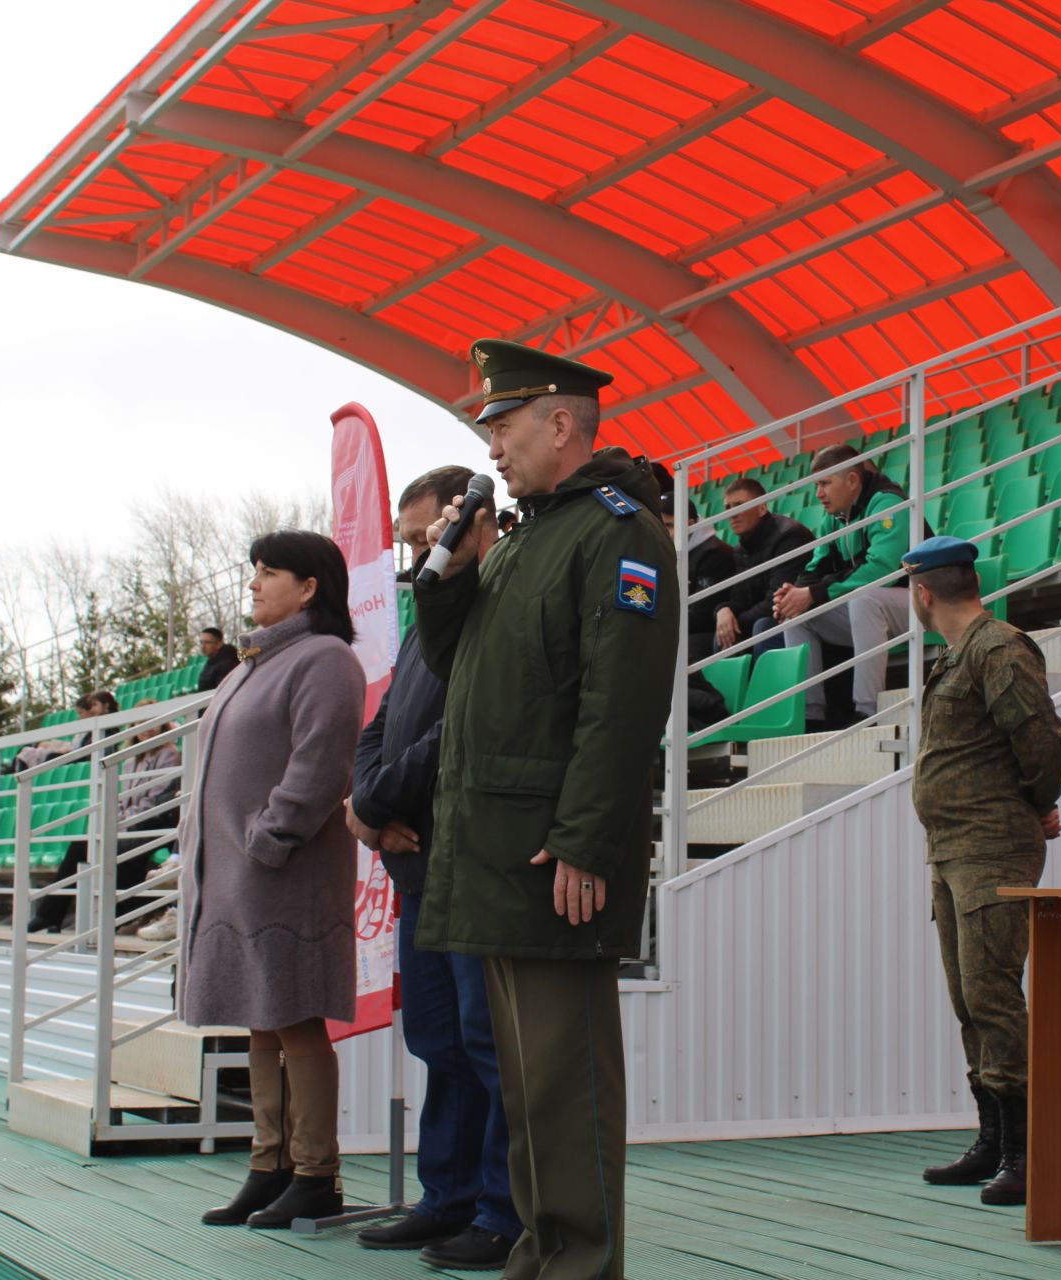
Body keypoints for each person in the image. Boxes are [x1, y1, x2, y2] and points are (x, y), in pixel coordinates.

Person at [414, 338, 680, 1280]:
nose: (490, 444)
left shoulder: (617, 530)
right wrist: (438, 584)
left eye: (502, 422)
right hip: (498, 854)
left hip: (548, 859)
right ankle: (542, 1255)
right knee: (527, 1091)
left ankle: (578, 1264)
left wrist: (584, 841)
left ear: (561, 423)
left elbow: (624, 705)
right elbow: (472, 674)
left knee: (565, 1086)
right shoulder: (529, 534)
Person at [344, 465, 520, 1269]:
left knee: (486, 1045)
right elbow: (378, 728)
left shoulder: (491, 606)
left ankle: (500, 1211)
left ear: (475, 526)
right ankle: (444, 1198)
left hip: (468, 858)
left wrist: (376, 804)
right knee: (437, 1041)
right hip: (416, 862)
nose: (422, 554)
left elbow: (453, 731)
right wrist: (365, 811)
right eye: (412, 542)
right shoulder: (427, 616)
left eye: (431, 537)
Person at [179, 530, 366, 1230]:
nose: (253, 584)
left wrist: (271, 837)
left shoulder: (325, 659)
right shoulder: (246, 666)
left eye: (269, 572)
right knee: (263, 1021)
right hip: (234, 874)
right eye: (253, 572)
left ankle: (317, 1173)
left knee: (296, 1018)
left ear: (309, 586)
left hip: (281, 872)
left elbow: (321, 762)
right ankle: (268, 1165)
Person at [902, 535, 1061, 1207]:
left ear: (922, 592)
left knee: (993, 996)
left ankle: (1030, 1154)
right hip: (954, 848)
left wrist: (1037, 803)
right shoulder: (962, 653)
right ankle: (994, 1142)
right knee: (971, 999)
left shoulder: (997, 649)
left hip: (990, 846)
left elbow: (1042, 738)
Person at [773, 444, 916, 729]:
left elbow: (882, 571)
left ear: (852, 480)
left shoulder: (888, 504)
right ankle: (810, 716)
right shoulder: (835, 517)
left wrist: (814, 594)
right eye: (817, 485)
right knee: (797, 616)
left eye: (825, 483)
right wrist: (795, 594)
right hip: (877, 615)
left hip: (922, 602)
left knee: (865, 599)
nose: (819, 494)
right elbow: (817, 565)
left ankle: (868, 712)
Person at [26, 701, 183, 935]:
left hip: (154, 822)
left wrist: (123, 824)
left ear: (162, 726)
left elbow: (157, 799)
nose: (147, 728)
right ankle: (51, 915)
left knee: (107, 849)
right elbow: (119, 798)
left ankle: (56, 916)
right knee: (83, 846)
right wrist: (119, 821)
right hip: (129, 824)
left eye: (153, 723)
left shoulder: (169, 754)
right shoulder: (130, 758)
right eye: (140, 723)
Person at [714, 477, 812, 657]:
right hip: (766, 616)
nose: (732, 514)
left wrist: (735, 621)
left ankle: (772, 686)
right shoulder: (741, 549)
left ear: (762, 508)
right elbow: (739, 598)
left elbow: (777, 603)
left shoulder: (790, 536)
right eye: (728, 508)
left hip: (798, 616)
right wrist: (724, 610)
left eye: (739, 505)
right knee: (723, 632)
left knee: (762, 627)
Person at [662, 498, 736, 660]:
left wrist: (661, 625)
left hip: (709, 631)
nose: (664, 532)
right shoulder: (671, 553)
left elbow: (703, 613)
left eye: (669, 525)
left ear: (690, 524)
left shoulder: (714, 554)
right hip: (686, 629)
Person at [197, 626, 241, 692]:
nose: (202, 647)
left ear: (218, 644)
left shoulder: (227, 664)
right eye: (201, 642)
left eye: (207, 642)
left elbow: (223, 692)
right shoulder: (211, 662)